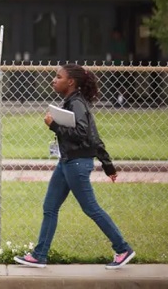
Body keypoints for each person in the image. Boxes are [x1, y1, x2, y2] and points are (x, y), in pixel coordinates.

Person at [14, 63, 134, 270]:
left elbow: (83, 134)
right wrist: (108, 166)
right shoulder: (73, 102)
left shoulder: (77, 103)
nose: (54, 79)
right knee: (50, 207)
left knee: (91, 208)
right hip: (67, 162)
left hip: (77, 164)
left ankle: (123, 249)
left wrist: (54, 125)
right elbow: (93, 137)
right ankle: (39, 255)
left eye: (58, 77)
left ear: (70, 82)